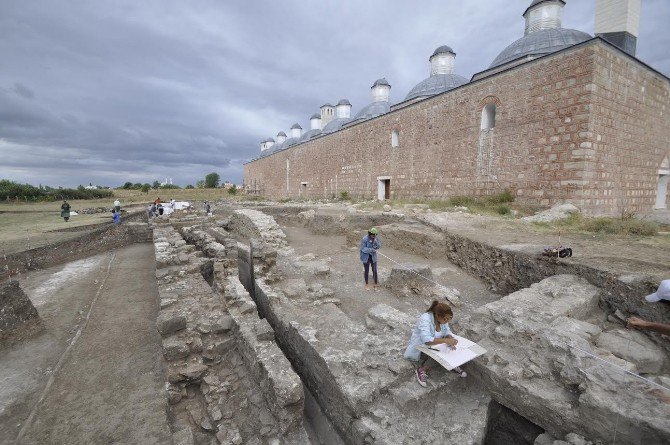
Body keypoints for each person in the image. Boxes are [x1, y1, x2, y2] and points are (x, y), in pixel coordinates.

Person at [404, 300, 467, 387]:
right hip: (421, 347)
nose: (446, 322)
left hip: (435, 344)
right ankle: (422, 369)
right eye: (445, 319)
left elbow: (447, 331)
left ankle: (451, 363)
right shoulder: (425, 318)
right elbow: (426, 340)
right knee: (440, 352)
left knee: (451, 347)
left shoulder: (442, 320)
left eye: (448, 320)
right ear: (437, 315)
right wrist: (445, 340)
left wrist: (449, 336)